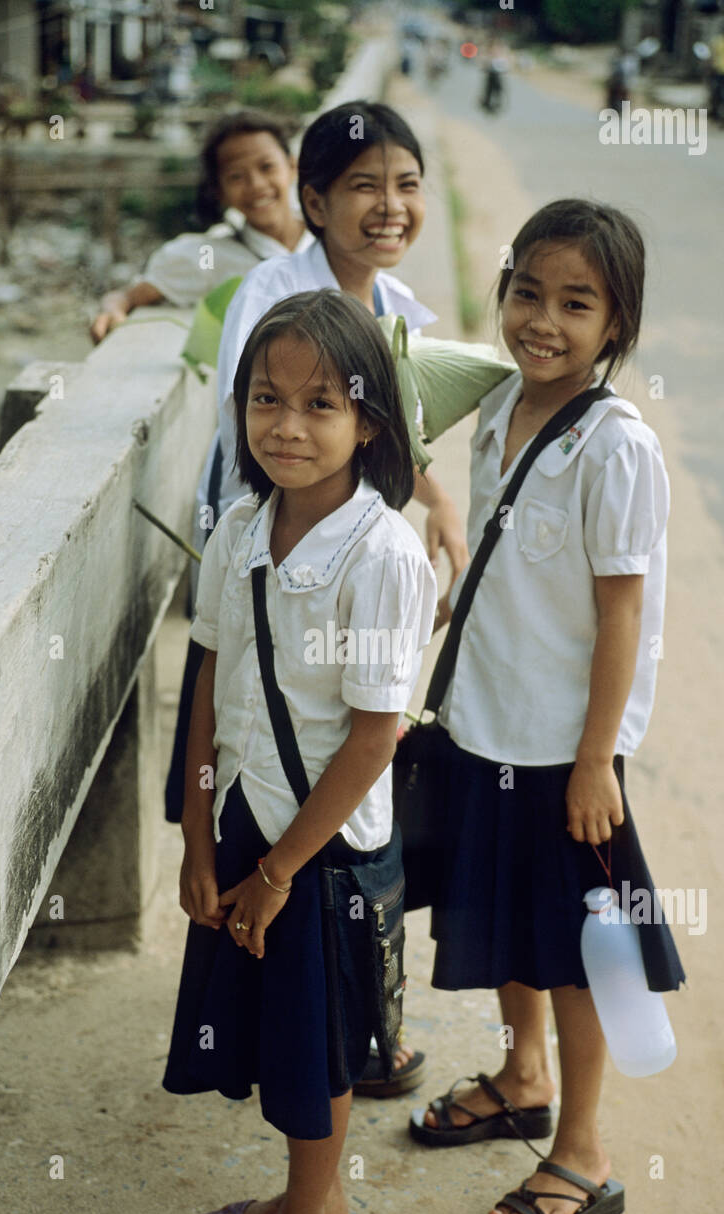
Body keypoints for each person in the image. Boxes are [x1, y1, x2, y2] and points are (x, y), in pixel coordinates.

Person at [163, 102, 469, 1099]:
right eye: (366, 186)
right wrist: (205, 843)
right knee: (247, 852)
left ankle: (353, 1049)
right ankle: (331, 1052)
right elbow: (246, 446)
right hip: (257, 578)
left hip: (325, 623)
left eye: (407, 184)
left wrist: (435, 504)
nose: (389, 207)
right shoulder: (273, 294)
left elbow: (375, 731)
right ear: (314, 200)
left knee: (319, 899)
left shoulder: (396, 310)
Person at [409, 200, 685, 1214]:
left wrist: (593, 762)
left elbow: (622, 614)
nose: (544, 320)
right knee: (504, 926)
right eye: (528, 291)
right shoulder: (498, 407)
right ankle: (522, 1077)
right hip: (483, 723)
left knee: (578, 952)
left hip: (564, 750)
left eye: (577, 304)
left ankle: (582, 1150)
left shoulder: (614, 449)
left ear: (616, 325)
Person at [162, 289, 437, 1214]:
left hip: (320, 851)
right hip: (245, 816)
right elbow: (206, 681)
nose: (286, 425)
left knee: (315, 1042)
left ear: (368, 422)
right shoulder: (240, 527)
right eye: (265, 399)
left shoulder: (382, 556)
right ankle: (311, 1202)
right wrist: (199, 840)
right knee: (281, 1022)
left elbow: (375, 738)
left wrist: (277, 870)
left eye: (321, 404)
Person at [90, 110, 311, 343]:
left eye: (267, 167)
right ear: (219, 191)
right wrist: (111, 310)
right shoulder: (209, 257)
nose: (256, 185)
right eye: (236, 176)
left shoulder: (333, 236)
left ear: (292, 167)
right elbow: (126, 297)